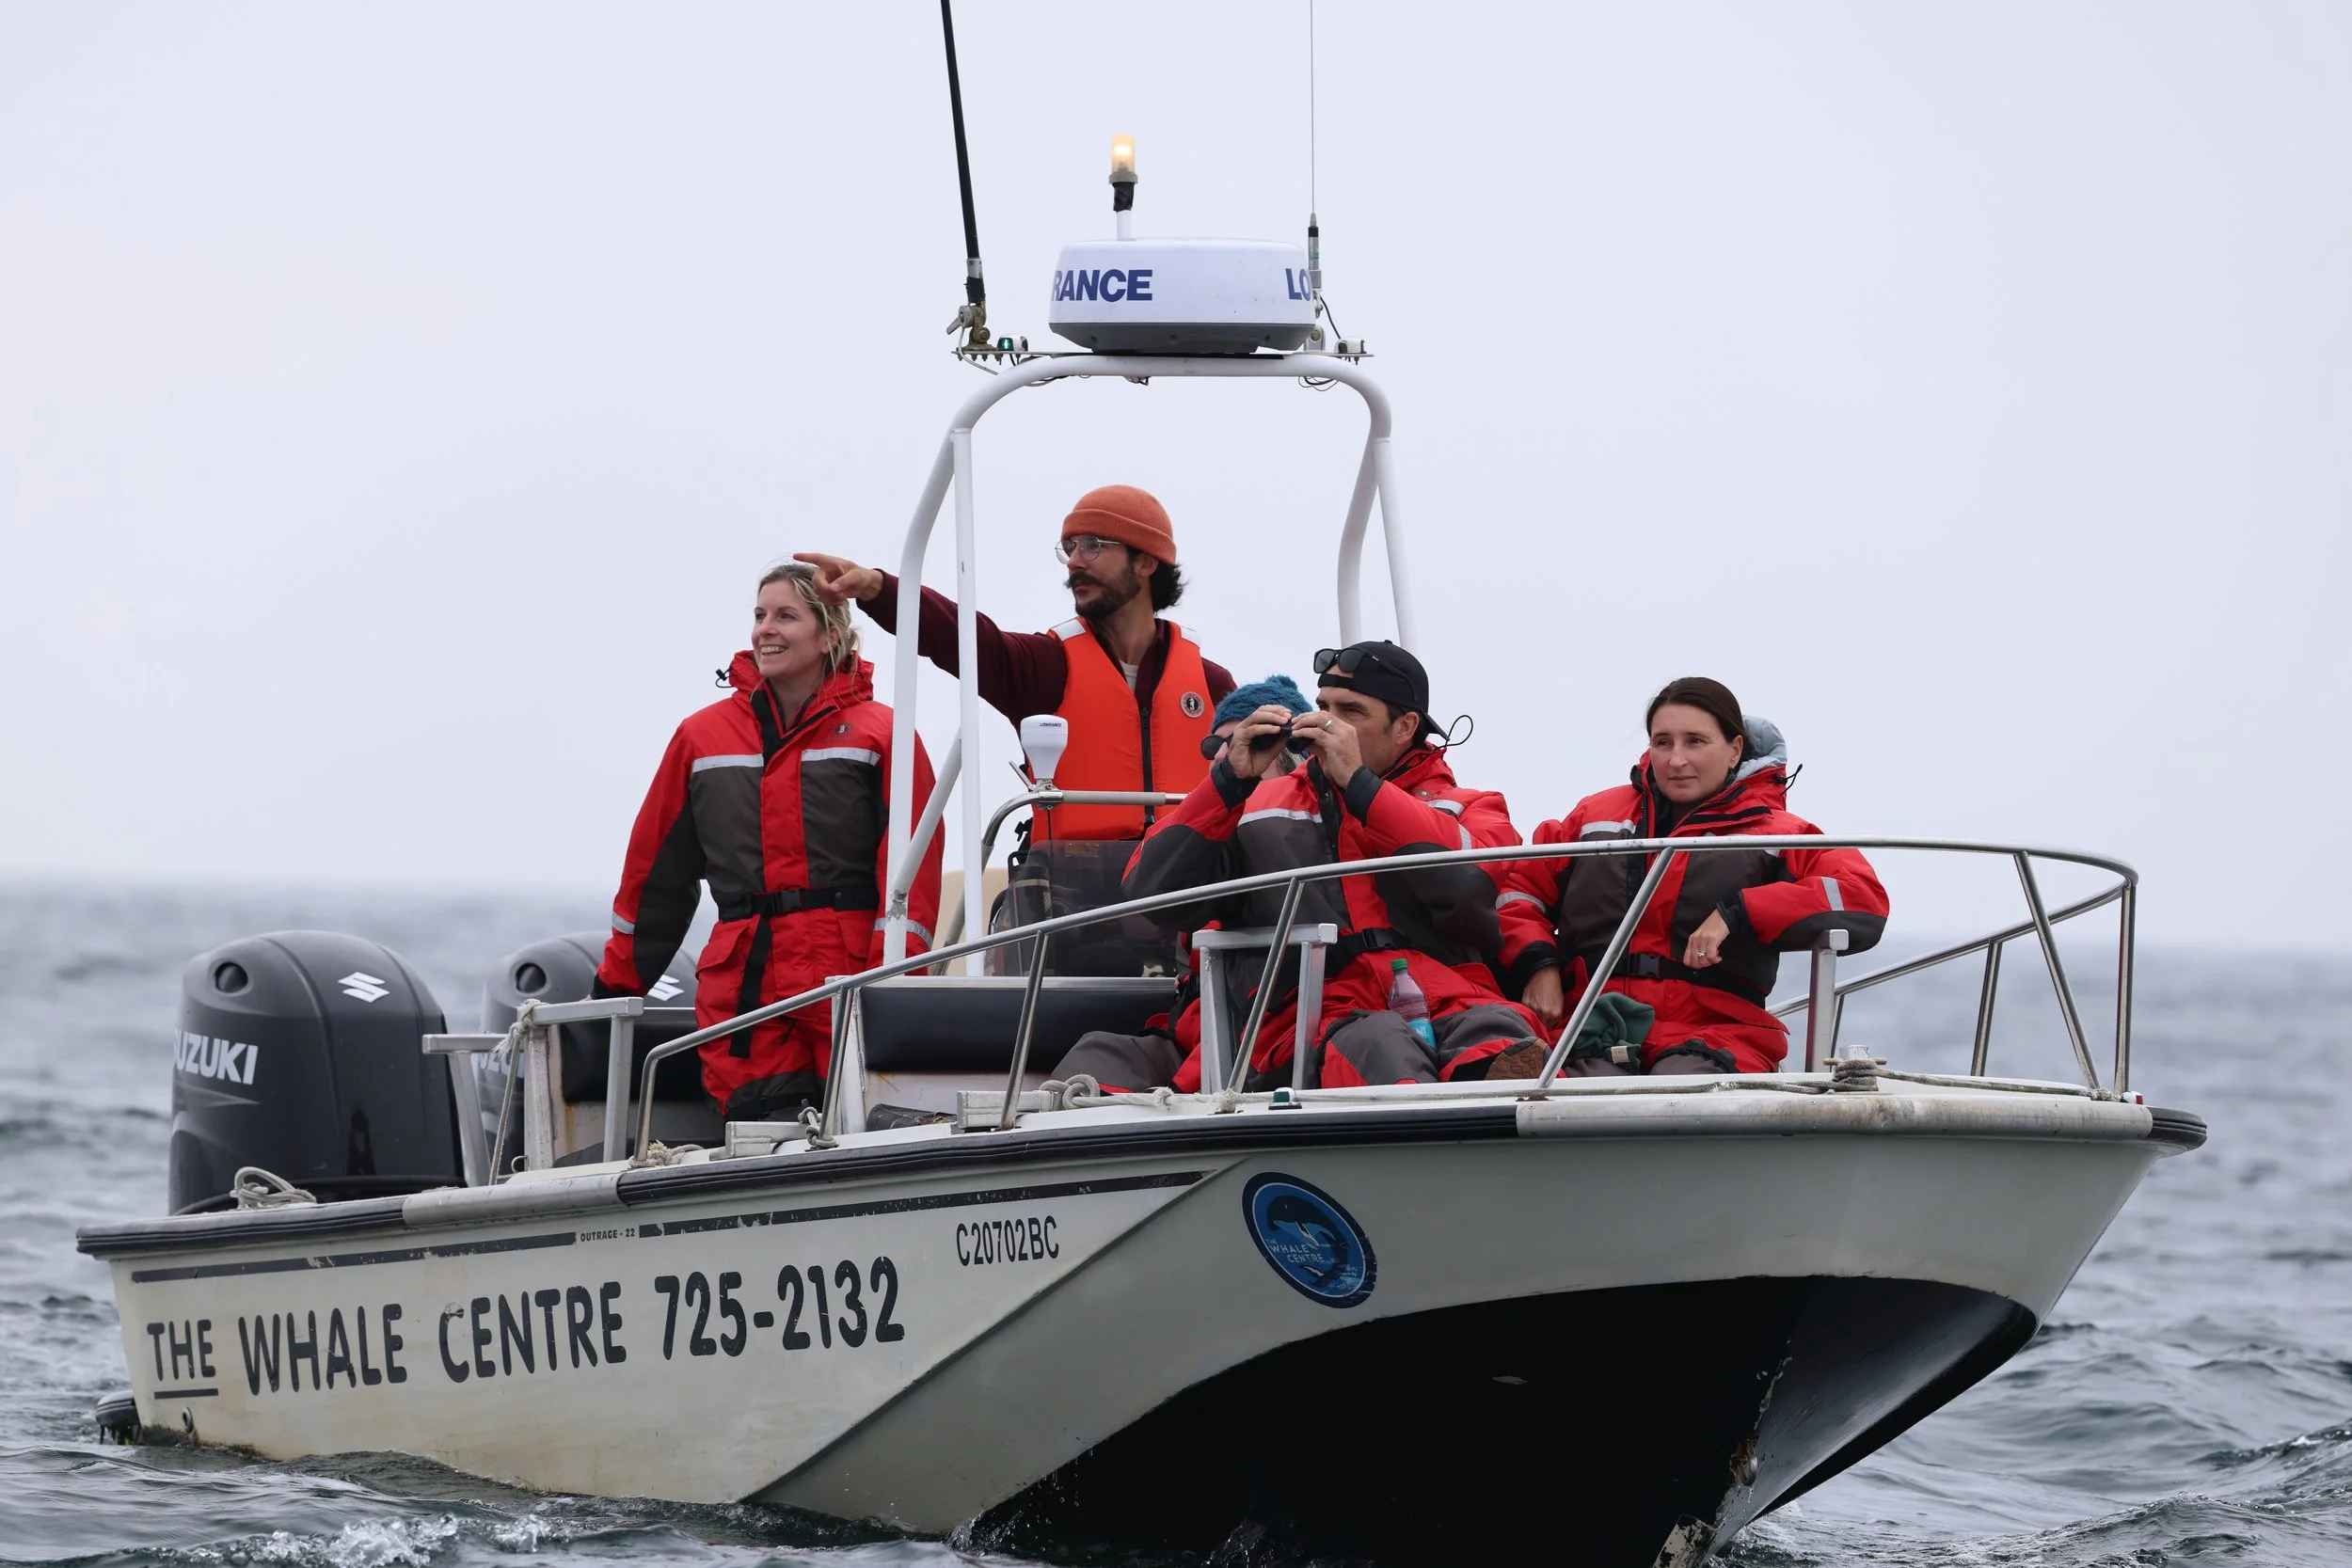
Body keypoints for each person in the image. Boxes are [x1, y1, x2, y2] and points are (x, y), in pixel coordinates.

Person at [1054, 641, 1545, 1091]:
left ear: (1405, 727)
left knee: (1503, 1037)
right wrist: (1228, 781)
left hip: (1452, 996)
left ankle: (1522, 1159)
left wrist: (1359, 785)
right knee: (1377, 1043)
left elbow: (1468, 883)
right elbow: (1149, 890)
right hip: (1314, 1016)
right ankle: (1422, 1171)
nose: (1330, 723)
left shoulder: (1471, 806)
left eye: (1352, 711)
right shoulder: (1255, 807)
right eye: (1325, 707)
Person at [594, 562, 943, 1121]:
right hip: (744, 985)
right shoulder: (701, 737)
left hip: (849, 979)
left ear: (829, 633)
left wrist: (893, 983)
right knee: (761, 1139)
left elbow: (911, 878)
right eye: (759, 616)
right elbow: (655, 875)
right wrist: (614, 988)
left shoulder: (884, 735)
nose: (765, 630)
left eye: (786, 615)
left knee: (864, 1125)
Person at [1493, 676, 1887, 1077]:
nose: (1675, 760)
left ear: (1735, 750)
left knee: (1673, 1096)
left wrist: (1738, 912)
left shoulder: (1779, 834)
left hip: (1720, 1035)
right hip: (1593, 1027)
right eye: (1663, 742)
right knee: (1563, 1096)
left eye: (1695, 741)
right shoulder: (1594, 818)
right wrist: (1538, 964)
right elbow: (1519, 893)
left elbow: (1861, 896)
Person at [794, 483, 1233, 841]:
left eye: (1093, 546)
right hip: (1077, 914)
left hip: (1188, 908)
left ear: (1146, 561)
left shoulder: (1213, 685)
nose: (1075, 562)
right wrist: (877, 588)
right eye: (1069, 546)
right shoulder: (1044, 666)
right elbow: (963, 637)